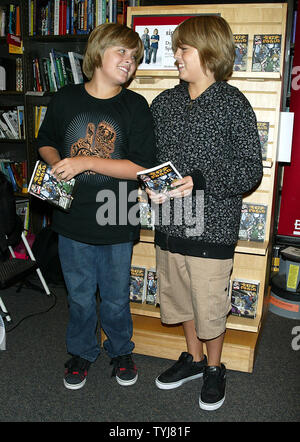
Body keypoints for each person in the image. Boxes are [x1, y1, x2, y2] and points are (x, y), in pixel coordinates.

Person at [148, 16, 263, 411]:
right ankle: (194, 360)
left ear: (210, 52)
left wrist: (200, 179)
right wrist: (151, 187)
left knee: (210, 305)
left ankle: (215, 368)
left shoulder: (233, 104)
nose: (176, 55)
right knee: (179, 301)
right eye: (176, 48)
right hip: (168, 225)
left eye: (184, 49)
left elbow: (250, 169)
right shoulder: (163, 103)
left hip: (212, 229)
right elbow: (152, 161)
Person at [37, 22, 155, 390]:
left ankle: (121, 350)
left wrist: (85, 161)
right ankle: (82, 352)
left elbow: (140, 168)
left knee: (117, 298)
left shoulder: (136, 106)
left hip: (118, 215)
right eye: (122, 52)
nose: (129, 62)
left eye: (134, 57)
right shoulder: (66, 98)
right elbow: (45, 141)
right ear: (98, 53)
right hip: (72, 217)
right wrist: (57, 161)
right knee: (81, 296)